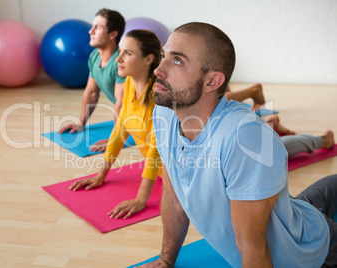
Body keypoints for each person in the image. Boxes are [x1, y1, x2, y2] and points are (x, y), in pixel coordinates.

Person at [138, 22, 336, 267]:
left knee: (308, 215)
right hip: (290, 215)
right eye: (163, 56)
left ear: (212, 81)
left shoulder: (244, 136)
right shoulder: (165, 113)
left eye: (177, 60)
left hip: (314, 254)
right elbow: (173, 200)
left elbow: (253, 248)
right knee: (306, 205)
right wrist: (166, 260)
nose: (158, 69)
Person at [69, 30, 162, 219]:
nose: (118, 59)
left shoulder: (159, 98)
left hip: (184, 176)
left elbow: (155, 152)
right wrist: (100, 176)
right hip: (162, 174)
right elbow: (120, 130)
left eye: (128, 53)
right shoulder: (129, 83)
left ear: (148, 59)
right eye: (119, 51)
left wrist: (141, 200)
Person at [58, 8, 126, 152]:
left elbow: (122, 103)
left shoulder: (121, 61)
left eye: (98, 27)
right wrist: (80, 123)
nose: (91, 31)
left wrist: (115, 138)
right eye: (92, 26)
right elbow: (91, 92)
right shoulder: (95, 56)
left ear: (113, 34)